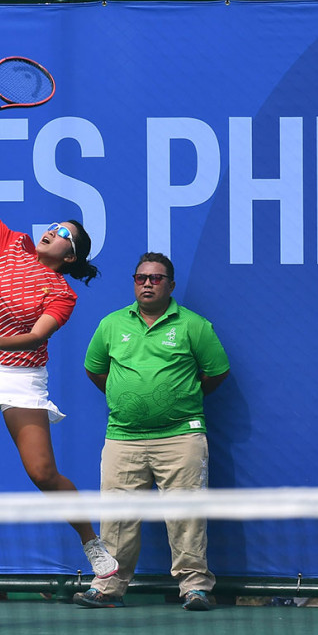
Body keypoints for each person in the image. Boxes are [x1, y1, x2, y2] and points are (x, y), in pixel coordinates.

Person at [0, 118, 118, 603]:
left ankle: (93, 544)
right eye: (54, 226)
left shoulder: (61, 293)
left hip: (22, 378)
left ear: (70, 253)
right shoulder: (11, 245)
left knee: (42, 473)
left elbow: (34, 337)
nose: (51, 231)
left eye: (62, 232)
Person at [73, 253, 230, 611]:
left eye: (157, 278)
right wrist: (128, 400)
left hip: (181, 437)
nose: (148, 283)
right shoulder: (111, 324)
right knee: (116, 516)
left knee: (186, 514)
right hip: (123, 437)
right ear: (134, 282)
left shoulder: (194, 326)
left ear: (170, 285)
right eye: (141, 277)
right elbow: (96, 371)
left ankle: (195, 588)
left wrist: (180, 399)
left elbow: (216, 372)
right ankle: (108, 587)